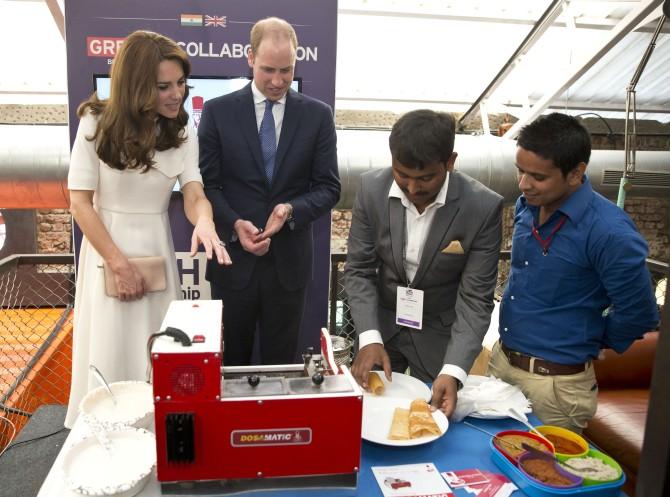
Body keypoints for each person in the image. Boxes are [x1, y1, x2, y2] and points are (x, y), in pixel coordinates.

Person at [65, 30, 231, 428]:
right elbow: (79, 203)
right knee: (109, 351)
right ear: (137, 85)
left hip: (156, 248)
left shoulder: (183, 133)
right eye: (163, 86)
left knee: (155, 354)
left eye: (180, 84)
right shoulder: (95, 122)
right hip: (107, 252)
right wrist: (118, 264)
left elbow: (194, 193)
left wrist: (205, 220)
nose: (177, 94)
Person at [487, 113, 659, 433]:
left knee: (545, 478)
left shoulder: (610, 232)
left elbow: (639, 314)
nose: (523, 184)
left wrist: (587, 337)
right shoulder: (528, 205)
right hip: (502, 365)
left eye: (537, 176)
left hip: (556, 387)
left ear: (576, 173)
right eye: (520, 171)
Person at [198, 17, 340, 366]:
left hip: (288, 267)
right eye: (268, 70)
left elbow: (329, 188)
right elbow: (207, 185)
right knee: (230, 364)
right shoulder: (218, 112)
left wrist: (290, 210)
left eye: (286, 70)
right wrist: (233, 224)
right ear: (249, 58)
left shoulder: (318, 116)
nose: (277, 81)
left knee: (282, 364)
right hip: (233, 264)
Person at [345, 109, 504, 417]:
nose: (413, 189)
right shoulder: (370, 189)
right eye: (402, 175)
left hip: (438, 339)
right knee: (367, 418)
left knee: (433, 423)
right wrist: (368, 337)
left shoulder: (482, 207)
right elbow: (359, 271)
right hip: (380, 329)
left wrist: (455, 370)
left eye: (426, 178)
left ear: (450, 162)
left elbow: (475, 298)